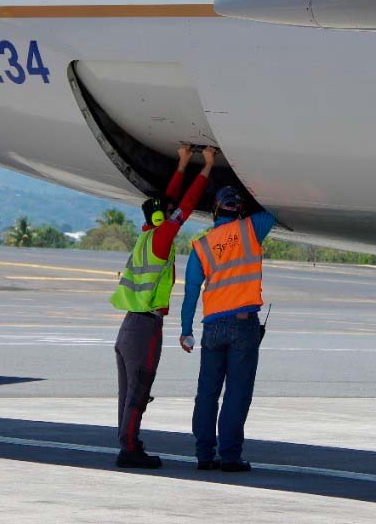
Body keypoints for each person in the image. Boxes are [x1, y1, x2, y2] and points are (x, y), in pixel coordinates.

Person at [112, 144, 216, 469]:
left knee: (128, 394)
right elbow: (183, 207)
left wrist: (183, 163)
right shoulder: (162, 238)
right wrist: (207, 167)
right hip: (145, 328)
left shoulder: (147, 234)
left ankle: (128, 444)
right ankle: (130, 450)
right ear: (162, 217)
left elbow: (169, 202)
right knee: (139, 393)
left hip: (129, 326)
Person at [179, 185, 276, 472]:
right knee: (237, 392)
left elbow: (191, 293)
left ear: (215, 211)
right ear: (240, 210)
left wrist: (186, 330)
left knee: (207, 392)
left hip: (212, 328)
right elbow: (273, 210)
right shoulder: (251, 230)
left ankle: (204, 455)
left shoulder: (202, 245)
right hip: (243, 325)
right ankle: (230, 456)